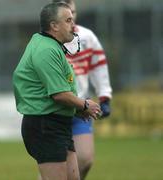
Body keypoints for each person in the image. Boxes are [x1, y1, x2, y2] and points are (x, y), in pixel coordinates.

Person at [12, 2, 101, 180]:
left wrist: (77, 109)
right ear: (54, 26)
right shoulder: (46, 50)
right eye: (68, 20)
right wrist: (84, 105)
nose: (73, 24)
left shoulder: (50, 45)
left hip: (56, 124)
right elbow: (58, 94)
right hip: (45, 125)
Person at [51, 0, 112, 179]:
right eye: (66, 17)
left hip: (80, 107)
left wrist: (105, 96)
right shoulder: (44, 41)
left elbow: (98, 66)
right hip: (52, 109)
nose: (72, 19)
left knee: (84, 159)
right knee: (55, 167)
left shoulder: (87, 37)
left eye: (74, 14)